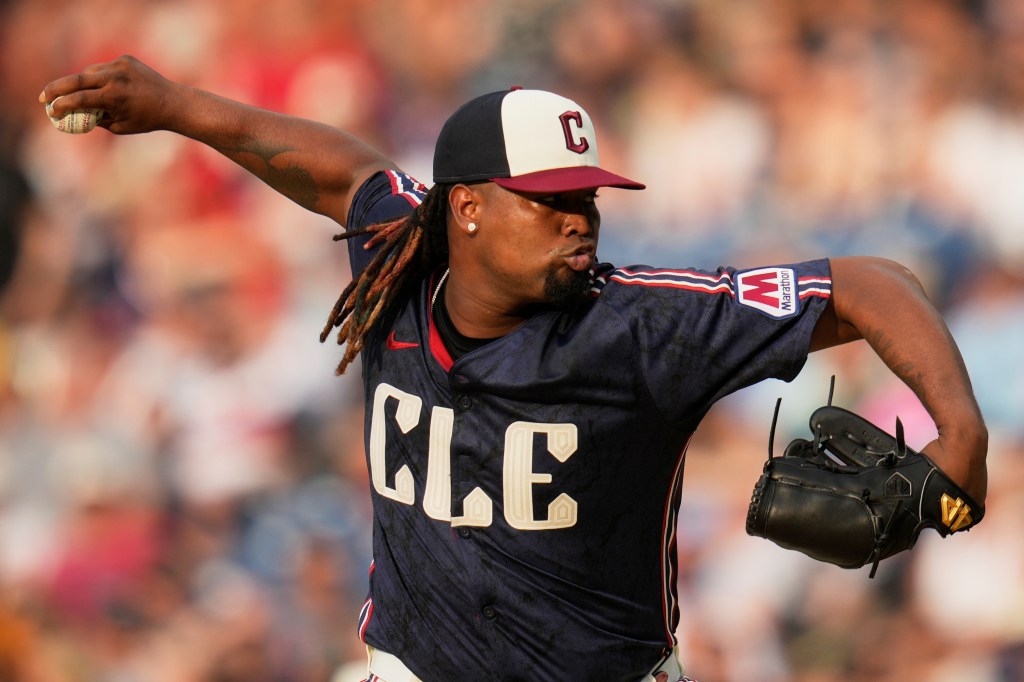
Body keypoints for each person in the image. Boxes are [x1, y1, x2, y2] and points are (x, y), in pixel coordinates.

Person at [40, 55, 988, 682]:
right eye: (549, 199)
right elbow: (335, 169)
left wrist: (961, 435)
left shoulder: (641, 326)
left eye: (587, 198)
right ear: (466, 209)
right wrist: (176, 107)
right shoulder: (401, 255)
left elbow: (873, 283)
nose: (580, 219)